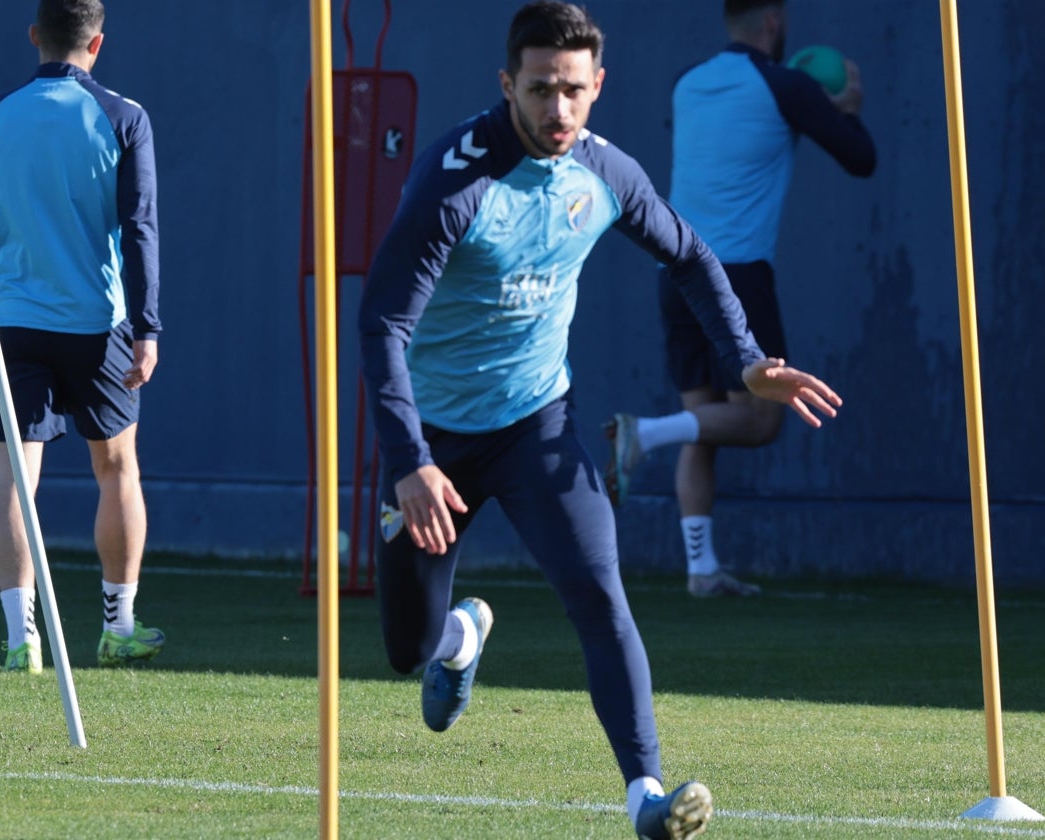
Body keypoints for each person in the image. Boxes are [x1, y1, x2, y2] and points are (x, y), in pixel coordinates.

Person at [358, 3, 842, 837]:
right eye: (540, 89)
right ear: (507, 84)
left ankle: (646, 798)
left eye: (573, 91)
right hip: (430, 442)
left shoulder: (606, 172)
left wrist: (747, 360)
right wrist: (408, 457)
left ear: (598, 89)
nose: (557, 110)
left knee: (600, 598)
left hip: (536, 428)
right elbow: (382, 324)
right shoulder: (456, 181)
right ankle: (459, 640)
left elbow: (689, 253)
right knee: (407, 648)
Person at [604, 0, 876, 598]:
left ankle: (701, 571)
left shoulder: (687, 84)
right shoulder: (787, 86)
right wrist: (847, 111)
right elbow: (861, 158)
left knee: (702, 423)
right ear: (773, 20)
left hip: (673, 272)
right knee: (759, 421)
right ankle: (642, 434)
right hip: (737, 277)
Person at [0, 0, 165, 672]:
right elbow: (139, 229)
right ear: (97, 43)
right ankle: (118, 624)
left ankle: (22, 640)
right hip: (94, 321)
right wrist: (149, 326)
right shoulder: (123, 117)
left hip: (12, 322)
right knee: (117, 470)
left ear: (34, 37)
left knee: (13, 483)